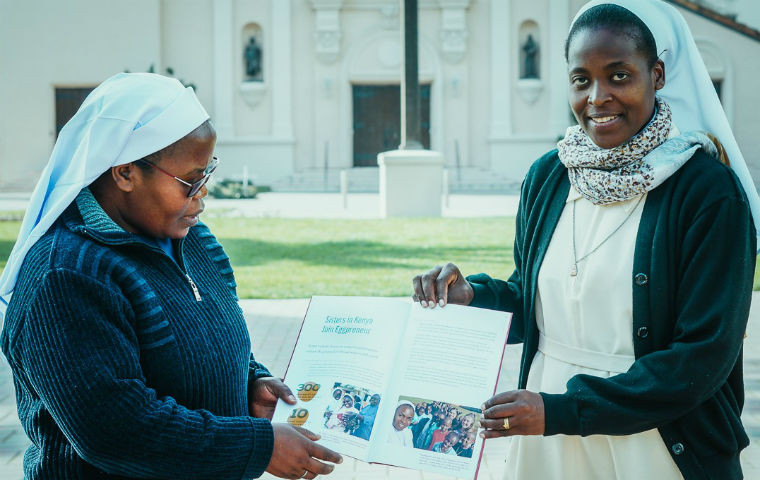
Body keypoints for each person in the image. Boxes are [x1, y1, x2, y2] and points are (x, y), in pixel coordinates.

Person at [412, 1, 758, 479]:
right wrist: (473, 296)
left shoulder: (707, 192)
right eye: (581, 79)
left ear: (656, 74)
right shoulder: (549, 176)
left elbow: (702, 356)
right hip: (548, 440)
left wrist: (560, 411)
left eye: (619, 76)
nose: (597, 97)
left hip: (658, 440)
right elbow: (537, 302)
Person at [0, 72, 342, 480]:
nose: (202, 195)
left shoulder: (192, 239)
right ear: (125, 173)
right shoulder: (66, 275)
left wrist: (247, 382)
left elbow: (208, 335)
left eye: (207, 175)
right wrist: (256, 446)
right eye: (190, 181)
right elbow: (115, 430)